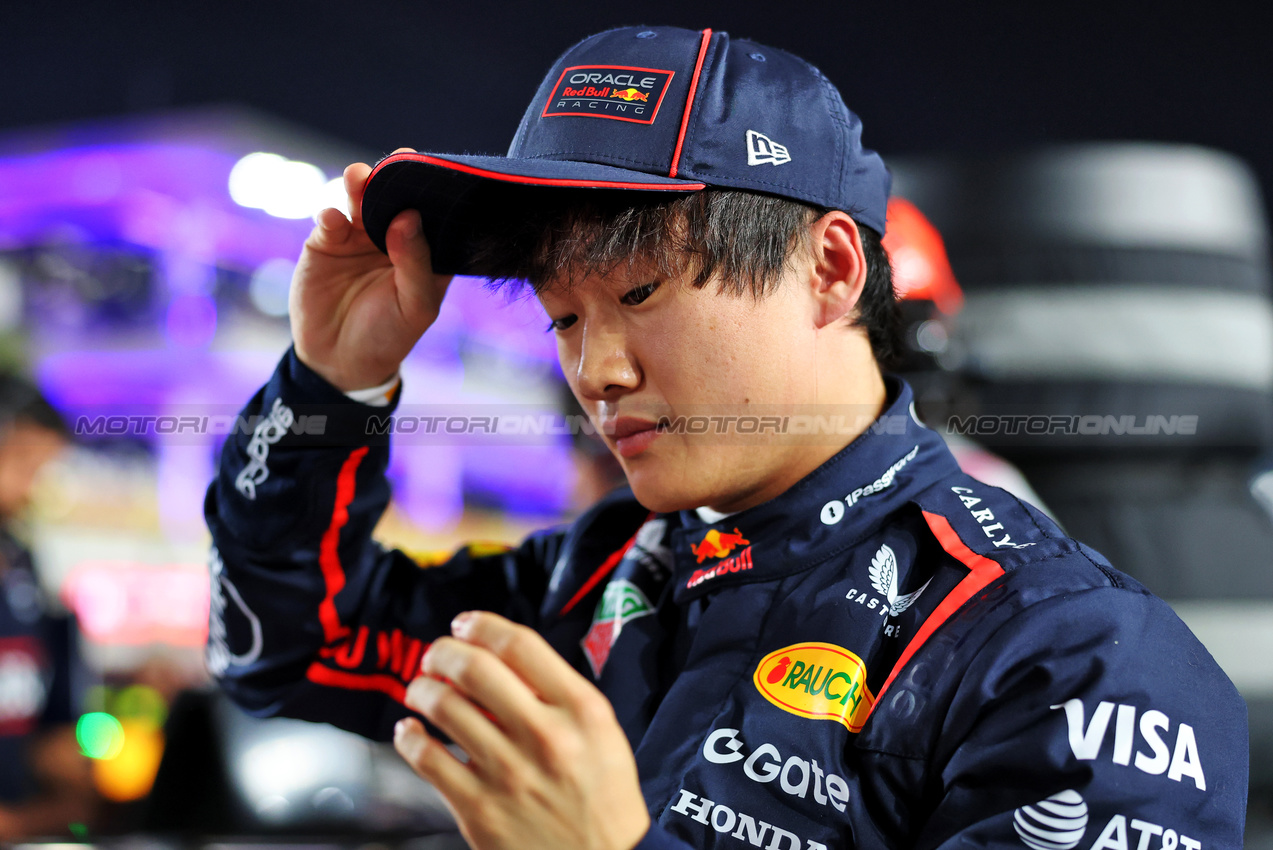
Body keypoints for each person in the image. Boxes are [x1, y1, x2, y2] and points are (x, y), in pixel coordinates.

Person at [205, 26, 1248, 850]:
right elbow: (284, 648)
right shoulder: (603, 571)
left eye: (638, 293)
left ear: (830, 270)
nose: (594, 370)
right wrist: (332, 387)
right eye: (562, 317)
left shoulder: (1071, 659)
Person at [0, 375, 97, 839]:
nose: (30, 486)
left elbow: (50, 731)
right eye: (22, 462)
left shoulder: (23, 562)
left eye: (40, 469)